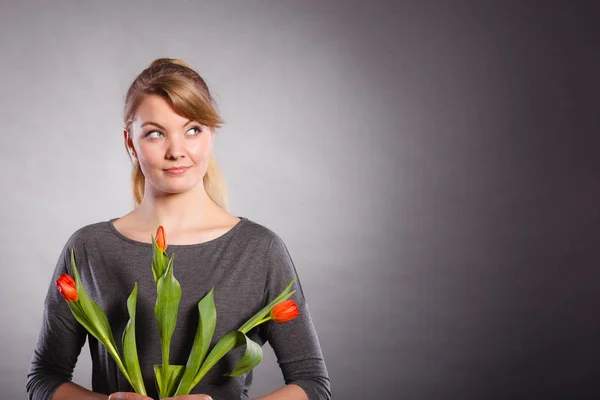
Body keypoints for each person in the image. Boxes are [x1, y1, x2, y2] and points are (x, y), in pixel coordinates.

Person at [26, 58, 331, 400]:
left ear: (210, 136)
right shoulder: (88, 247)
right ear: (131, 142)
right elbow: (44, 378)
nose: (176, 151)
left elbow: (313, 385)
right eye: (155, 133)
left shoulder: (259, 250)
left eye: (193, 130)